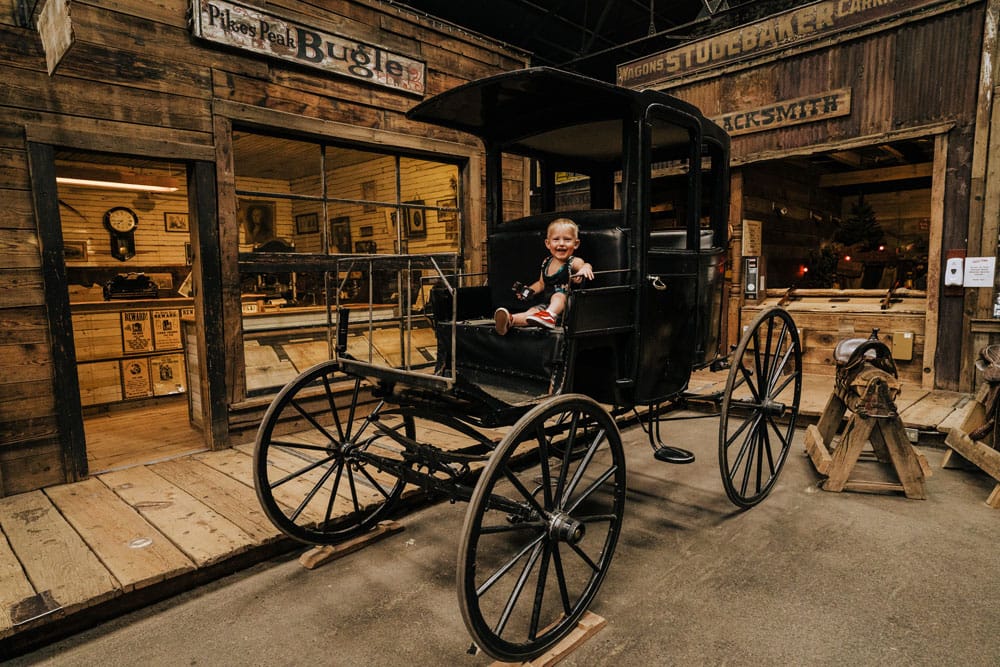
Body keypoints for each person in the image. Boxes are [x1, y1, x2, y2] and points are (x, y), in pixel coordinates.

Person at [494, 217, 594, 334]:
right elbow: (541, 284)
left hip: (568, 307)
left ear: (576, 244)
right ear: (548, 243)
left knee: (558, 296)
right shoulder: (546, 262)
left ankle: (549, 315)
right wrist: (529, 290)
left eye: (567, 240)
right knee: (532, 312)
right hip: (547, 306)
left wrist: (585, 269)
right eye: (556, 239)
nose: (561, 244)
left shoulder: (572, 262)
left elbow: (585, 264)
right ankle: (511, 320)